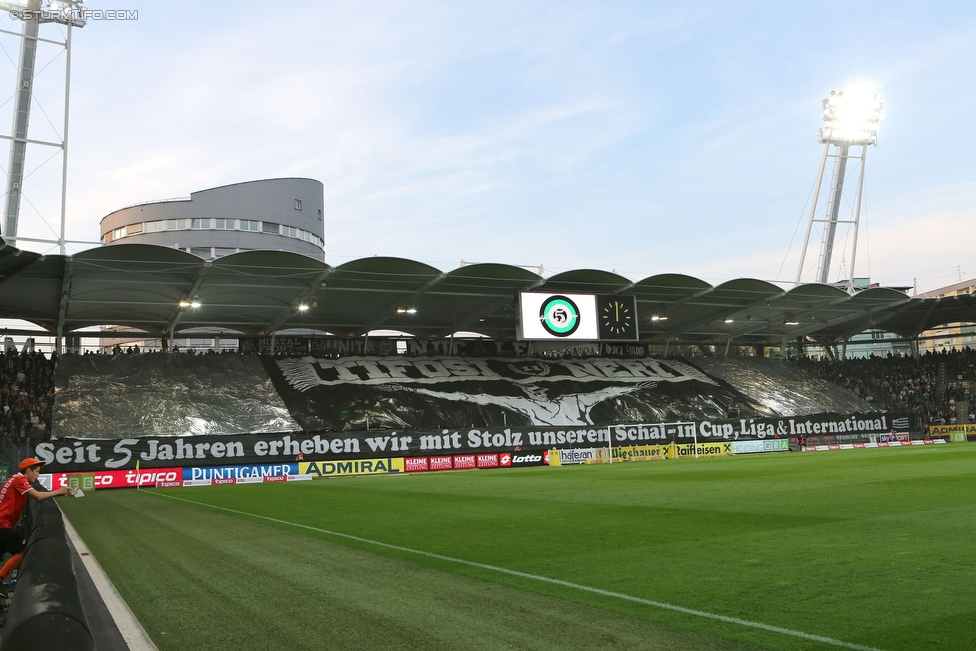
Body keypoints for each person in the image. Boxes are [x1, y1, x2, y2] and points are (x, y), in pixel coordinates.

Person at [0, 458, 76, 598]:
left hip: (3, 524)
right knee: (25, 551)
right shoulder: (20, 480)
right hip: (2, 525)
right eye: (37, 471)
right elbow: (39, 496)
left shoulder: (13, 478)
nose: (38, 475)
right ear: (28, 471)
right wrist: (58, 491)